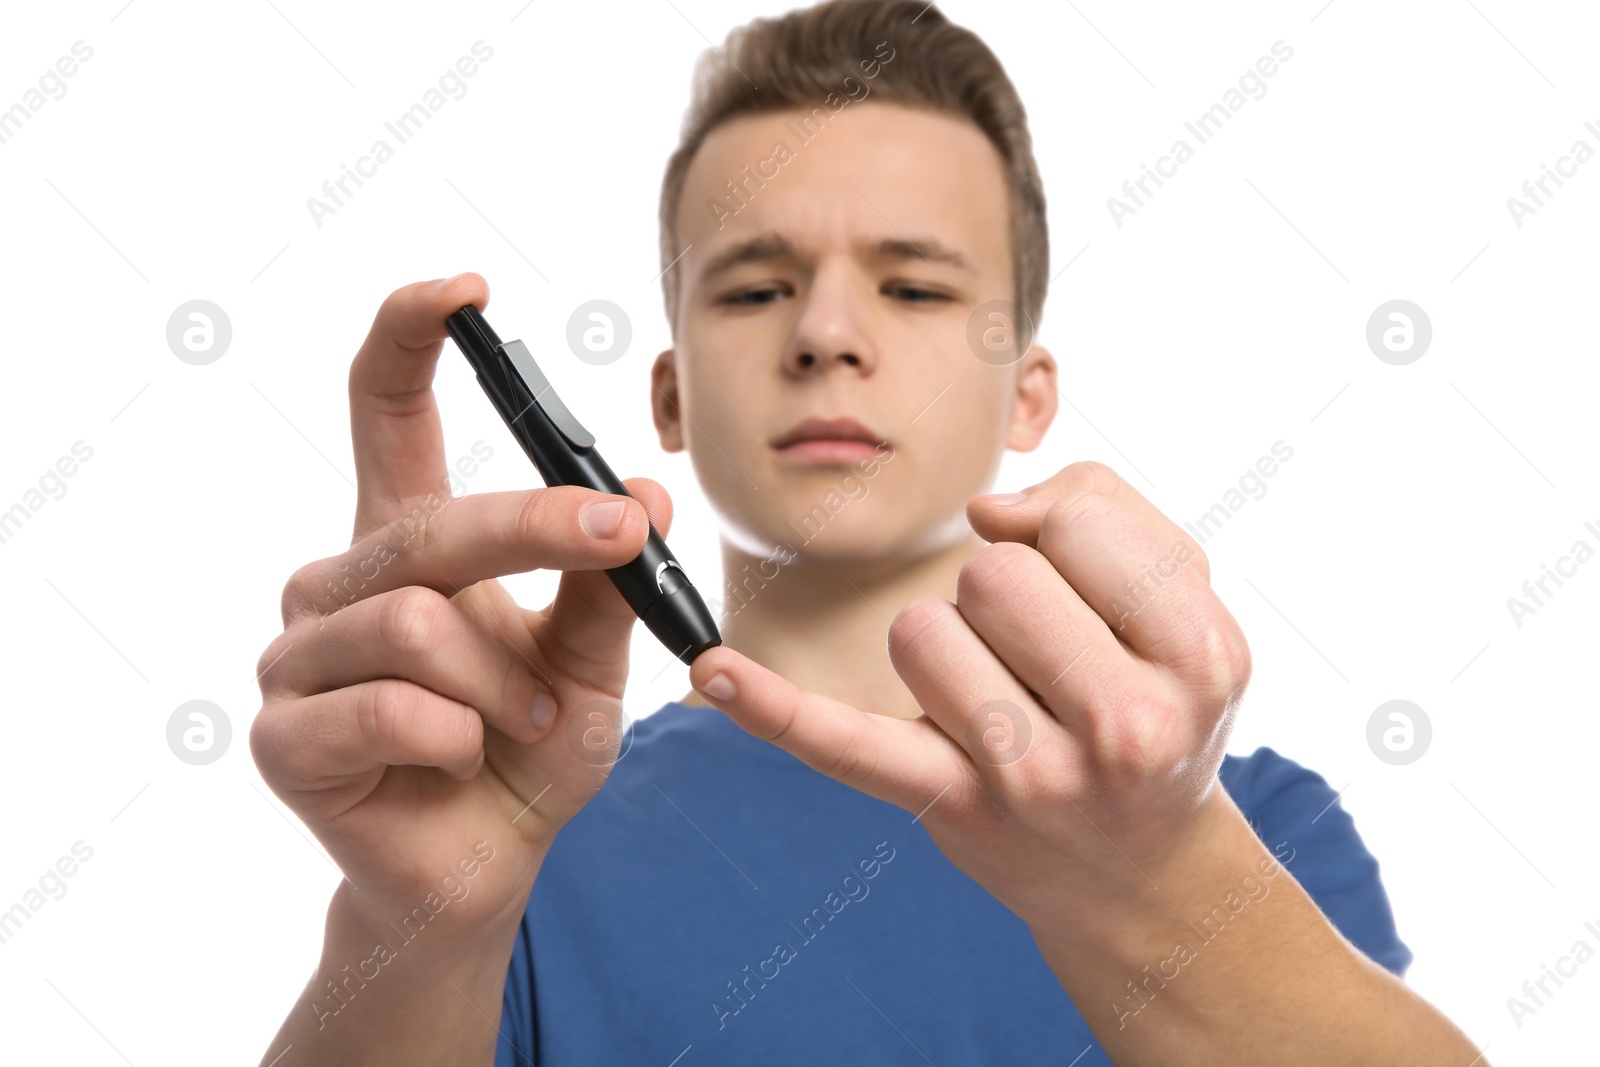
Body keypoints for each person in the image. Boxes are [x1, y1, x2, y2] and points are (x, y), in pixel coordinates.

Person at [251, 1, 1482, 1063]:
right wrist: (412, 918)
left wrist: (1161, 882)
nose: (826, 332)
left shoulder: (1254, 825)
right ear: (668, 396)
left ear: (1028, 389)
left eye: (914, 285)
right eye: (753, 285)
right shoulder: (526, 838)